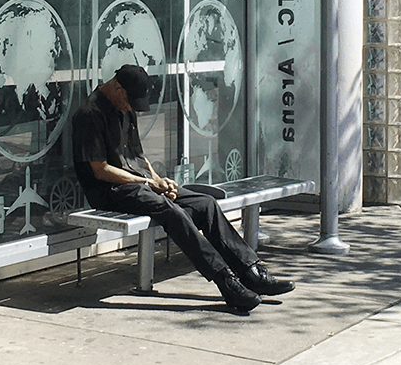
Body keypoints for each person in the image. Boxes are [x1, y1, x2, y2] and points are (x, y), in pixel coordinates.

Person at [71, 64, 295, 312]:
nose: (131, 107)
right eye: (130, 101)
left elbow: (138, 156)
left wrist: (159, 180)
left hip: (139, 185)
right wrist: (148, 183)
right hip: (109, 192)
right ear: (116, 87)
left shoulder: (125, 108)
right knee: (172, 212)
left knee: (205, 204)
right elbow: (100, 170)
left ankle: (250, 271)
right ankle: (225, 281)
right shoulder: (89, 114)